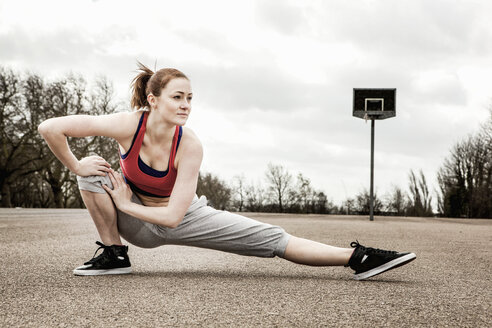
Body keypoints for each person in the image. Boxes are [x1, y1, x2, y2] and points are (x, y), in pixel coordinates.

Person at [38, 62, 416, 280]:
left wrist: (126, 202)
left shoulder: (190, 144)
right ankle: (114, 254)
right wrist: (75, 164)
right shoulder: (127, 125)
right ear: (153, 100)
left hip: (182, 216)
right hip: (132, 224)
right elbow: (50, 128)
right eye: (177, 97)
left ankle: (359, 258)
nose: (186, 105)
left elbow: (171, 218)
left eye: (190, 98)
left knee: (272, 239)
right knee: (91, 171)